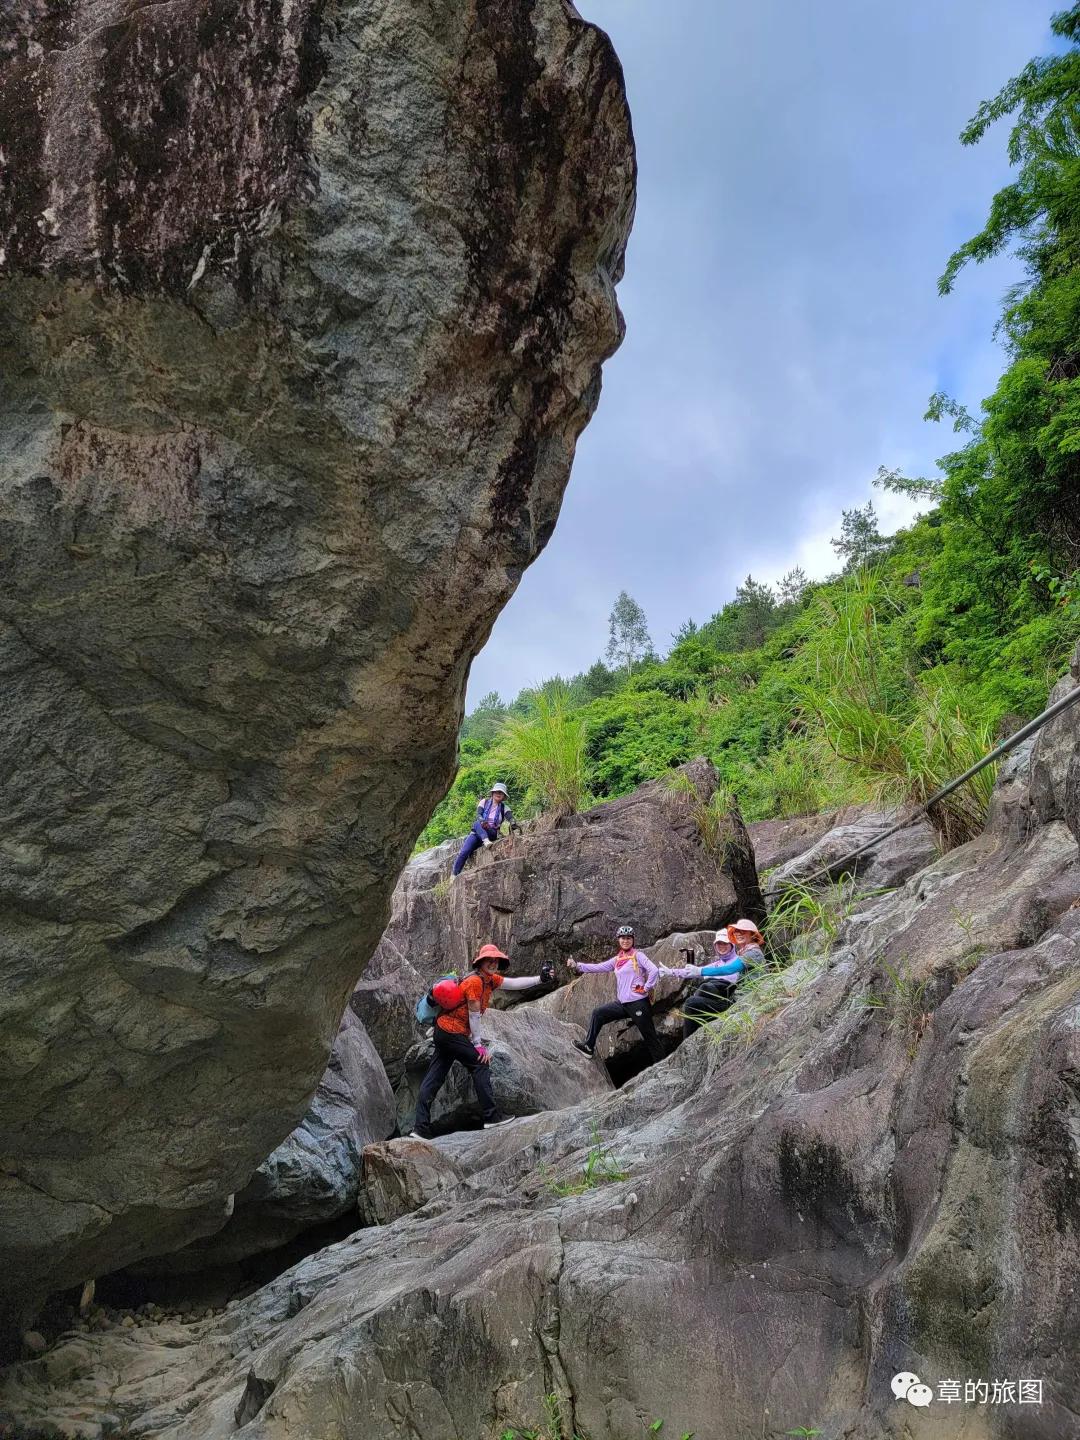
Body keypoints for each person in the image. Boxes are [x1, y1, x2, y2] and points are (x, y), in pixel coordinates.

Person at [410, 943, 550, 1139]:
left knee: (434, 1078)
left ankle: (420, 1129)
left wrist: (540, 979)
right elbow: (474, 1015)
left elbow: (513, 984)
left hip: (444, 1032)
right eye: (489, 960)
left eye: (496, 961)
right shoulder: (475, 982)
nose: (493, 963)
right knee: (480, 1064)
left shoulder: (489, 980)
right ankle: (491, 1117)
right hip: (451, 1032)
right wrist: (478, 1046)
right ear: (481, 962)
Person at [568, 925, 663, 1064]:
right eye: (623, 938)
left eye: (629, 938)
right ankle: (588, 1047)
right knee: (598, 1013)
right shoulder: (618, 959)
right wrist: (577, 966)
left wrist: (646, 988)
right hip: (623, 1004)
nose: (626, 940)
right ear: (618, 940)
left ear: (633, 940)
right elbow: (598, 967)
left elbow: (654, 970)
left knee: (650, 1038)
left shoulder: (638, 955)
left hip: (638, 1003)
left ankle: (662, 1066)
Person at [660, 918, 766, 1038]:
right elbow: (692, 972)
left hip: (744, 1002)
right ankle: (693, 1040)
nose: (739, 934)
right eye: (737, 931)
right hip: (735, 1000)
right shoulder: (742, 953)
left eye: (743, 931)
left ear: (752, 935)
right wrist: (670, 971)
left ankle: (689, 1042)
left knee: (701, 992)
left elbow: (729, 969)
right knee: (698, 995)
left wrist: (700, 970)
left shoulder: (753, 953)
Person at [452, 782, 517, 877]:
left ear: (503, 796)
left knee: (477, 824)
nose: (498, 794)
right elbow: (479, 814)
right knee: (464, 851)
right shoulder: (484, 802)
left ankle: (486, 839)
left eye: (501, 792)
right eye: (496, 792)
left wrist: (513, 823)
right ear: (492, 793)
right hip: (478, 831)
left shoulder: (504, 808)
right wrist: (483, 821)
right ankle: (455, 875)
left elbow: (510, 817)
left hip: (491, 832)